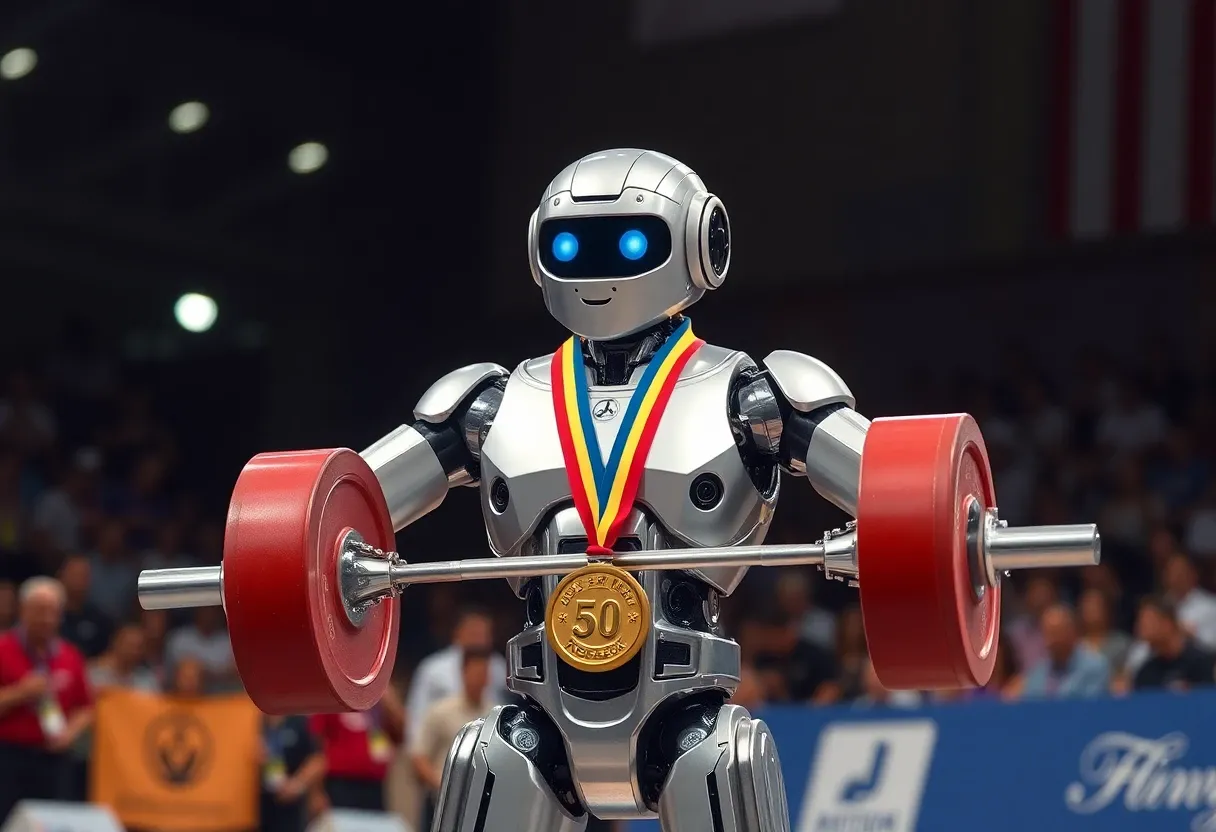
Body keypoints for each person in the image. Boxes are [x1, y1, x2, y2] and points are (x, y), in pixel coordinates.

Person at [0, 578, 93, 820]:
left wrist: (70, 733)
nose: (46, 619)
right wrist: (19, 693)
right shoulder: (3, 649)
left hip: (54, 761)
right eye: (39, 611)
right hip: (9, 758)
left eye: (52, 612)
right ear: (22, 611)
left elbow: (86, 706)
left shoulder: (70, 656)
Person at [411, 648, 496, 831]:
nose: (480, 678)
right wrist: (443, 786)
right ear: (463, 673)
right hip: (441, 802)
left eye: (484, 673)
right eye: (476, 672)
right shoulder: (441, 711)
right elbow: (420, 756)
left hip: (480, 805)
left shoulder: (494, 716)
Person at [406, 606, 506, 739]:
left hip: (487, 740)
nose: (479, 640)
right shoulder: (432, 668)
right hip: (443, 744)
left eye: (484, 634)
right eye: (474, 633)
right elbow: (416, 718)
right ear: (458, 633)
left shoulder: (500, 667)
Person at [310, 685, 405, 812]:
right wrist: (317, 792)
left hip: (374, 784)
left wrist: (389, 700)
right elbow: (317, 749)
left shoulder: (381, 698)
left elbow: (401, 734)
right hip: (340, 782)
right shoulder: (333, 691)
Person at [1021, 604, 1110, 699]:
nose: (1050, 641)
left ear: (1071, 632)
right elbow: (1031, 706)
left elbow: (1090, 708)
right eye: (1047, 633)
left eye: (1055, 633)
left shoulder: (1096, 667)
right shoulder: (1037, 672)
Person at [1132, 596, 1216, 691]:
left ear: (1167, 623)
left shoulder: (1201, 663)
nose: (1140, 627)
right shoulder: (1146, 673)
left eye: (1147, 621)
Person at [260, 713, 326, 832]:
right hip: (256, 806)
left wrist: (297, 784)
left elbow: (317, 758)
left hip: (293, 805)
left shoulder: (299, 722)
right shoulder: (252, 722)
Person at [58, 554, 112, 659]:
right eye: (74, 575)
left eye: (84, 576)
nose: (79, 581)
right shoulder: (49, 616)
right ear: (61, 576)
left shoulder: (100, 619)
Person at [88, 622, 159, 694]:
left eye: (139, 647)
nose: (134, 651)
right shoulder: (93, 674)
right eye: (130, 645)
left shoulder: (146, 679)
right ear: (116, 643)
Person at [1078, 587, 1132, 675]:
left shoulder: (1121, 643)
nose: (1092, 611)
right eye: (1087, 607)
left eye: (1096, 606)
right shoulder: (1075, 645)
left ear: (1107, 610)